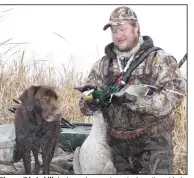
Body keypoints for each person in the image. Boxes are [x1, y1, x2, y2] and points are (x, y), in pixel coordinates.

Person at [78, 6, 186, 174]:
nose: (118, 35)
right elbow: (83, 105)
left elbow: (175, 96)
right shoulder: (103, 65)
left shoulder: (158, 59)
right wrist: (92, 100)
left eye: (122, 29)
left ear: (136, 27)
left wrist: (138, 101)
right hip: (117, 148)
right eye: (113, 30)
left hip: (153, 144)